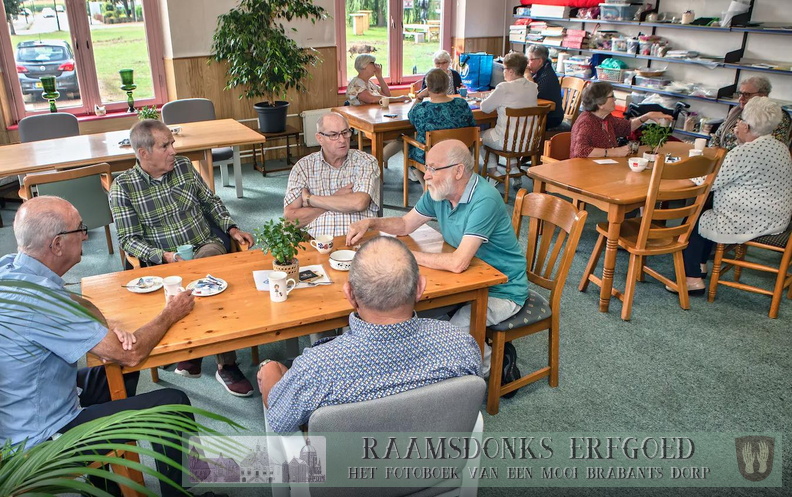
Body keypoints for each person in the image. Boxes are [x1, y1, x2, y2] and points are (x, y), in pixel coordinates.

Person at [0, 196, 195, 497]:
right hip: (40, 441)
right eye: (80, 229)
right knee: (173, 404)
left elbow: (75, 302)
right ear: (57, 245)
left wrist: (104, 328)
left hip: (25, 405)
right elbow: (131, 353)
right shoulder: (43, 302)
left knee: (119, 372)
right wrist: (171, 312)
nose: (85, 235)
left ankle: (106, 485)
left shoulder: (11, 268)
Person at [347, 139, 528, 386]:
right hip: (468, 281)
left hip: (503, 289)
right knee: (413, 315)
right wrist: (371, 223)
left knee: (454, 332)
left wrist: (404, 255)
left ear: (458, 171)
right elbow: (405, 224)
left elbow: (458, 262)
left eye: (433, 168)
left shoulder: (485, 199)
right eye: (426, 167)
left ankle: (495, 366)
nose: (426, 175)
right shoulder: (440, 192)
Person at [258, 236, 481, 433]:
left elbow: (279, 420)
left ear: (349, 294)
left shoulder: (315, 369)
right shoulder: (461, 344)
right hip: (434, 458)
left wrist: (269, 370)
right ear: (420, 287)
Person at [109, 119, 255, 397]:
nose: (173, 151)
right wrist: (163, 256)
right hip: (163, 262)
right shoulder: (123, 187)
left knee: (207, 273)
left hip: (204, 245)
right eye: (165, 146)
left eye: (172, 143)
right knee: (190, 280)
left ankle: (224, 363)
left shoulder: (185, 167)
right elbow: (128, 240)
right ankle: (197, 350)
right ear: (143, 153)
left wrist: (232, 229)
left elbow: (211, 202)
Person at [681, 97, 792, 293]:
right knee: (706, 209)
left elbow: (708, 182)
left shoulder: (745, 152)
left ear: (746, 127)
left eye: (740, 121)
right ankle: (700, 266)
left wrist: (677, 174)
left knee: (693, 217)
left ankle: (692, 280)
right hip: (778, 218)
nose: (737, 124)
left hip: (752, 221)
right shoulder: (780, 147)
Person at [283, 112, 380, 237]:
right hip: (318, 243)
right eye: (334, 135)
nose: (342, 140)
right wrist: (336, 198)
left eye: (345, 132)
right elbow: (290, 220)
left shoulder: (365, 161)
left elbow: (359, 203)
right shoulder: (303, 167)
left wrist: (310, 199)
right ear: (320, 138)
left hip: (359, 239)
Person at [407, 68, 476, 183]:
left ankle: (426, 187)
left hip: (433, 156)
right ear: (447, 85)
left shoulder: (422, 109)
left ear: (428, 88)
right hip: (459, 153)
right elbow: (473, 126)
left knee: (408, 145)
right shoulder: (462, 104)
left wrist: (419, 97)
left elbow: (411, 118)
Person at [570, 81, 670, 158]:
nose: (615, 99)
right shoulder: (586, 122)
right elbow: (581, 150)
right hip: (585, 170)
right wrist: (614, 152)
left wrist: (647, 116)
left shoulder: (606, 118)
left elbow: (626, 127)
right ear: (600, 104)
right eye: (612, 96)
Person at [345, 53, 410, 166]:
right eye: (372, 63)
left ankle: (384, 159)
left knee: (405, 134)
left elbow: (387, 94)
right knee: (402, 136)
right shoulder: (356, 83)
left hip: (377, 119)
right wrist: (398, 98)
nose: (376, 65)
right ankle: (378, 160)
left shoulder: (369, 83)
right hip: (363, 124)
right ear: (364, 66)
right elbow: (371, 99)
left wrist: (379, 77)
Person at [480, 52, 538, 175]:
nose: (503, 72)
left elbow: (484, 108)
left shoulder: (504, 87)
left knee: (480, 136)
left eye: (504, 69)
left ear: (511, 71)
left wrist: (491, 96)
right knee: (509, 133)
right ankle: (513, 168)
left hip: (507, 142)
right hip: (529, 141)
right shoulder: (533, 87)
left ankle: (493, 171)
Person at [710, 76, 792, 151]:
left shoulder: (775, 116)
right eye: (740, 94)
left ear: (763, 95)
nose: (741, 98)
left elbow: (772, 148)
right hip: (723, 156)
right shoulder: (737, 111)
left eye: (746, 94)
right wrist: (715, 153)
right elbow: (717, 136)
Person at [525, 45, 565, 131]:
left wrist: (527, 75)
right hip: (540, 113)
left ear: (540, 61)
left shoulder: (547, 75)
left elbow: (533, 94)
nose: (527, 63)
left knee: (517, 121)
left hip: (550, 117)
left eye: (530, 60)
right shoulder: (538, 71)